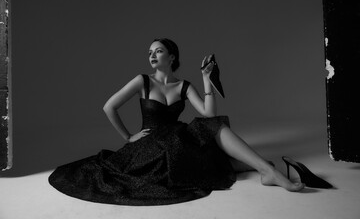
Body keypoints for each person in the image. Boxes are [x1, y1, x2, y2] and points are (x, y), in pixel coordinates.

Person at [48, 38, 304, 206]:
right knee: (204, 162)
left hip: (178, 138)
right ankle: (263, 168)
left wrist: (206, 81)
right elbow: (109, 107)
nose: (152, 55)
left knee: (211, 126)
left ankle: (266, 171)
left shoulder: (184, 86)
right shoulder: (143, 81)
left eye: (158, 51)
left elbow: (208, 114)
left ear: (172, 57)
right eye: (149, 52)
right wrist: (128, 137)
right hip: (150, 144)